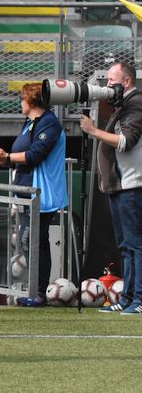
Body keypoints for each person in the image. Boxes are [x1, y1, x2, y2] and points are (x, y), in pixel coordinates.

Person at [0, 82, 67, 307]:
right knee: (28, 240)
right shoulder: (31, 123)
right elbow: (21, 156)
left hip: (40, 192)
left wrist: (8, 156)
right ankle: (36, 290)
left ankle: (39, 292)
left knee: (33, 239)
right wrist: (2, 158)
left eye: (22, 99)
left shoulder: (49, 122)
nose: (20, 103)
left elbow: (35, 154)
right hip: (25, 191)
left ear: (31, 100)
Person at [80, 62, 142, 314]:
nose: (107, 86)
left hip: (131, 184)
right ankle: (127, 298)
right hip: (119, 185)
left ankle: (138, 298)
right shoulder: (124, 106)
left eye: (111, 81)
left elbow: (127, 142)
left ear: (126, 82)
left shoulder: (136, 103)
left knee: (135, 245)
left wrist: (93, 130)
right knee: (126, 246)